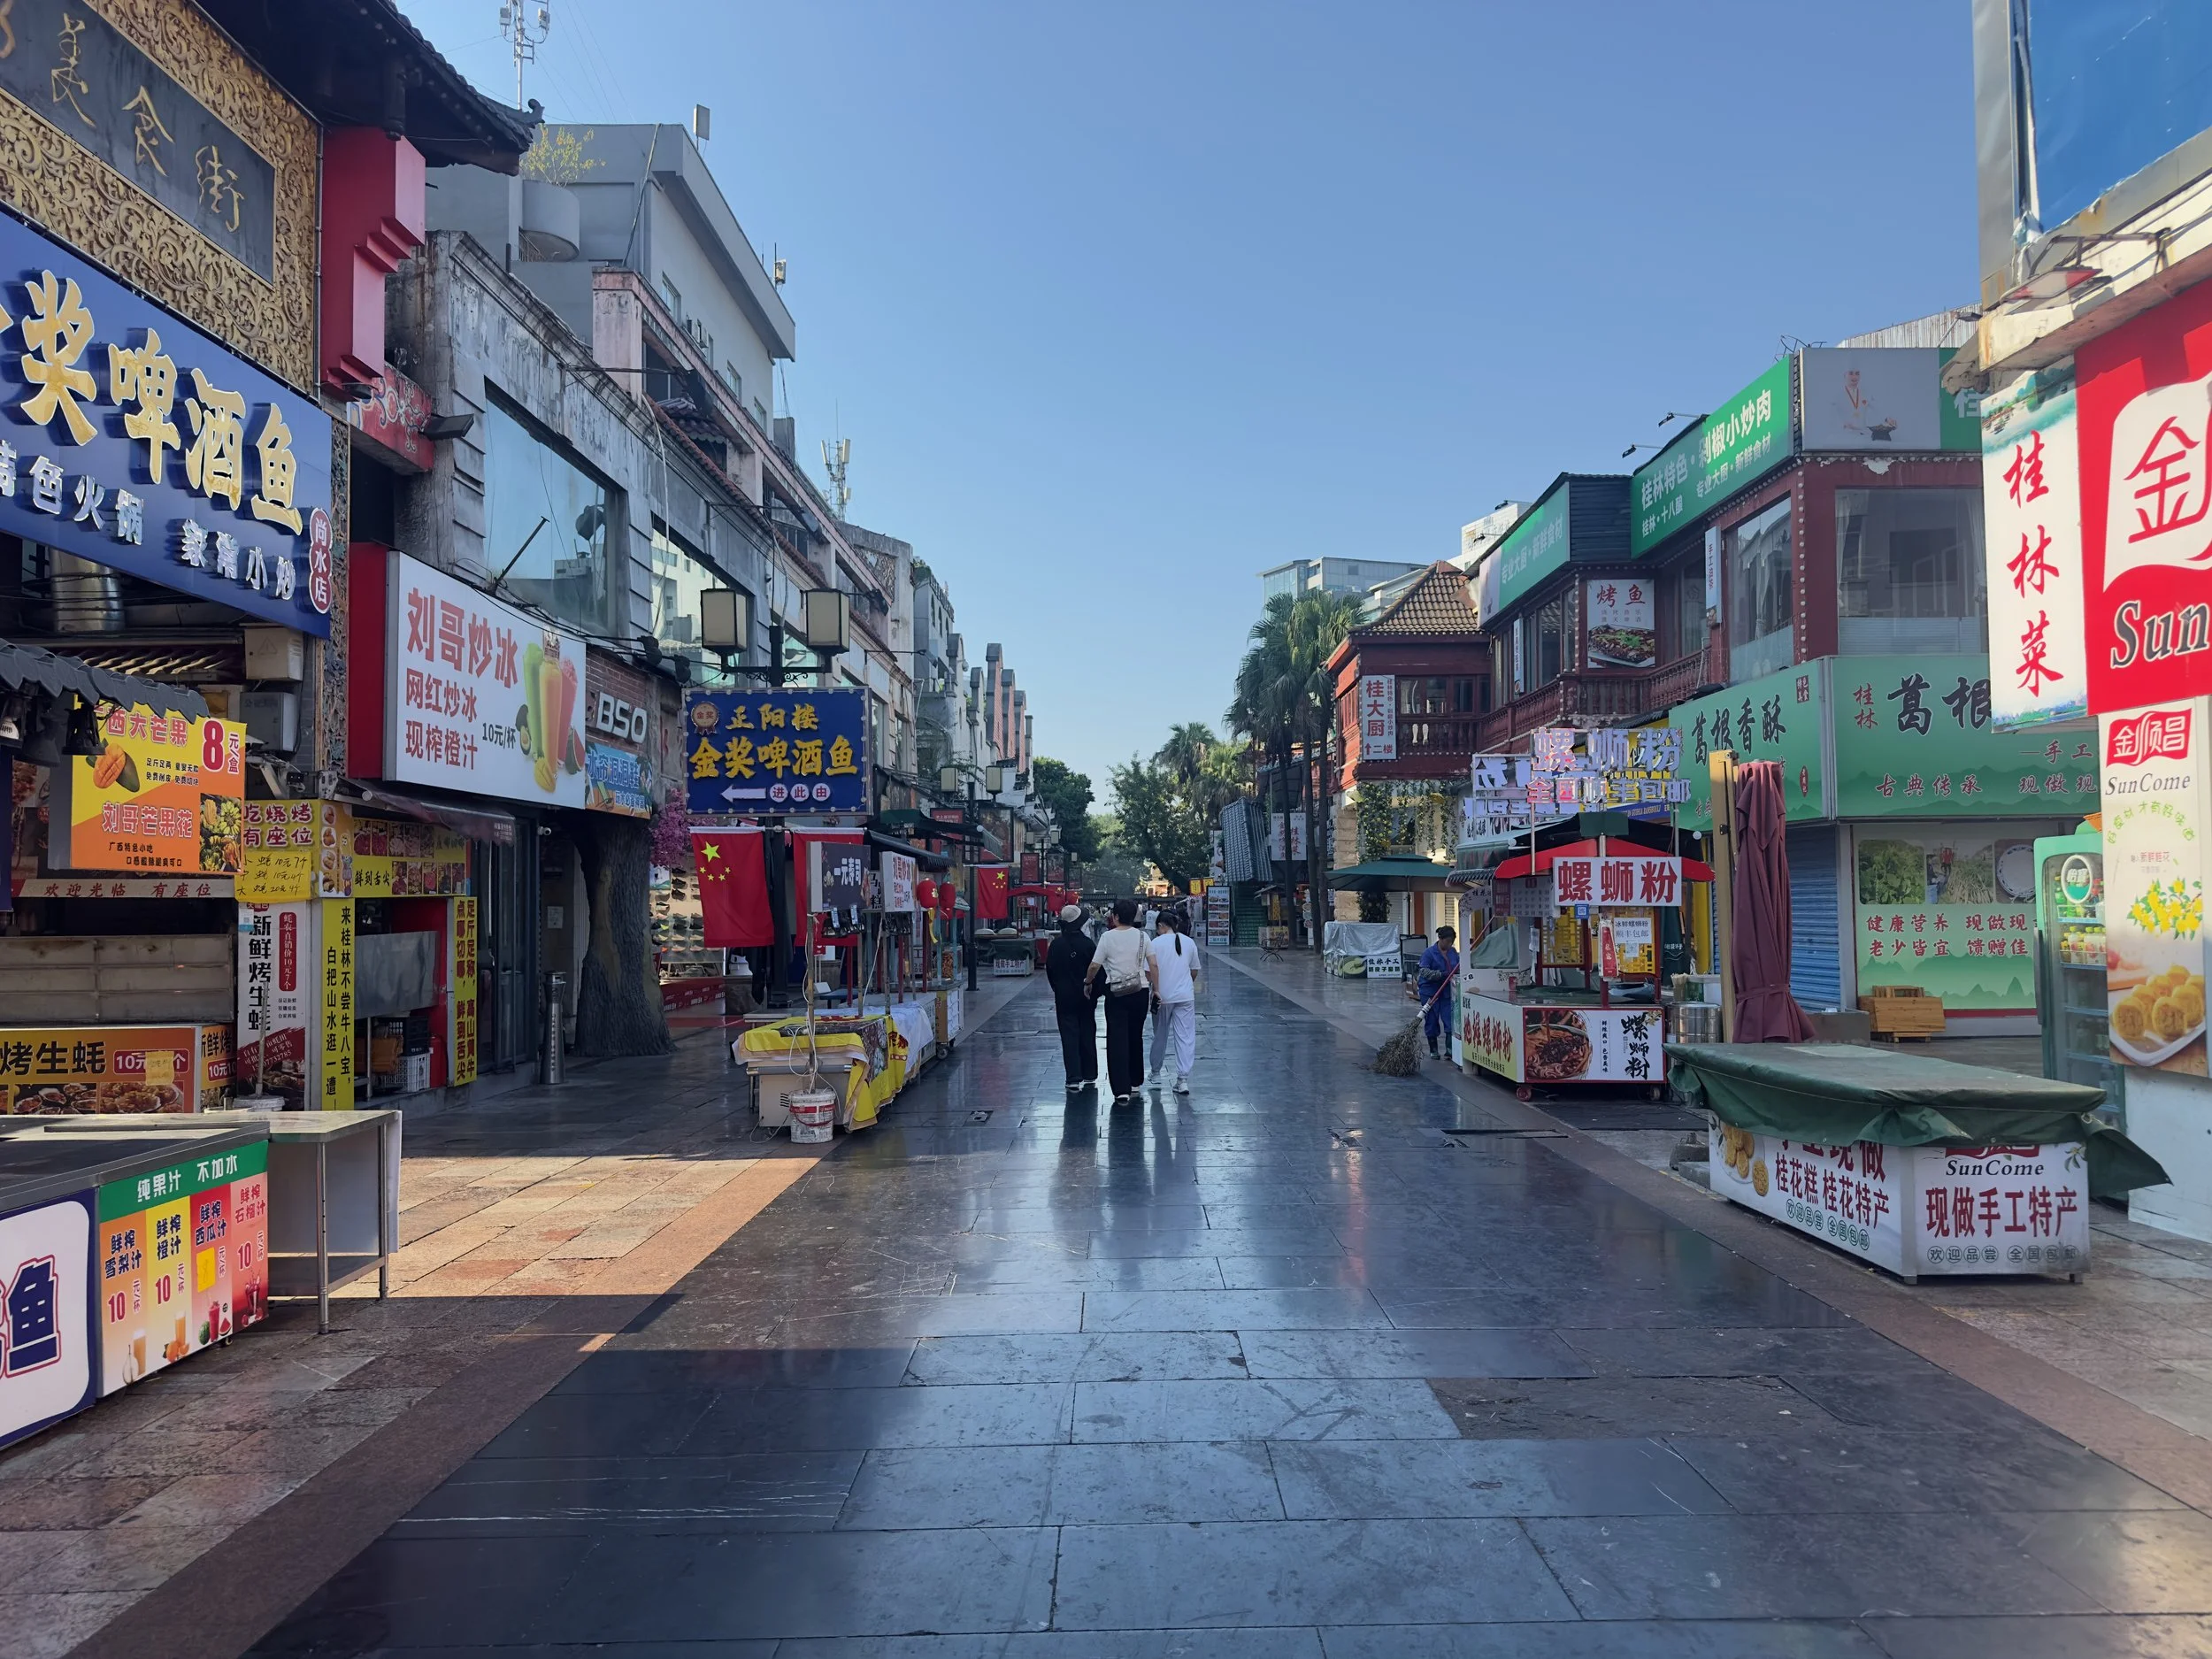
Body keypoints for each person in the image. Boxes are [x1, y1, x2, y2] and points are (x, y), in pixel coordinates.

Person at [1086, 899, 1153, 1102]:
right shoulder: (1143, 936)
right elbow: (1154, 964)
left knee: (1117, 1038)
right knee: (1135, 1035)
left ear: (1115, 917)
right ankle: (1135, 1081)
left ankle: (1121, 1089)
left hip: (1116, 992)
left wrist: (1088, 981)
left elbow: (1094, 965)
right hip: (1140, 990)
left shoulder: (1107, 937)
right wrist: (1156, 989)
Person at [1044, 903, 1099, 1092]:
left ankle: (1073, 1077)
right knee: (1088, 1031)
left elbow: (1050, 970)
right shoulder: (1088, 944)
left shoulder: (1056, 945)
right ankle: (1090, 1073)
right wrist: (1095, 991)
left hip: (1064, 996)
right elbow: (1097, 970)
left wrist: (1057, 989)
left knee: (1069, 1035)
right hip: (1086, 995)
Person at [1147, 911, 1202, 1094]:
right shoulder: (1189, 942)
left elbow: (1149, 972)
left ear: (1160, 926)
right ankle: (1183, 1079)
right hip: (1185, 996)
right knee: (1185, 1037)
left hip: (1162, 996)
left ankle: (1156, 1073)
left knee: (1160, 1035)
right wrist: (1185, 984)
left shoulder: (1155, 943)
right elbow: (1194, 970)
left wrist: (1155, 987)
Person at [1414, 925, 1459, 1059]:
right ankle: (1433, 1049)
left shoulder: (1453, 952)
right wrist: (1440, 974)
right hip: (1430, 991)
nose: (1449, 944)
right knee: (1432, 1020)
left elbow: (1458, 967)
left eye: (1452, 942)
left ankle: (1450, 1049)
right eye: (1447, 941)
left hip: (1447, 991)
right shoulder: (1429, 953)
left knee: (1449, 1018)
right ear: (1440, 938)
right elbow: (1424, 971)